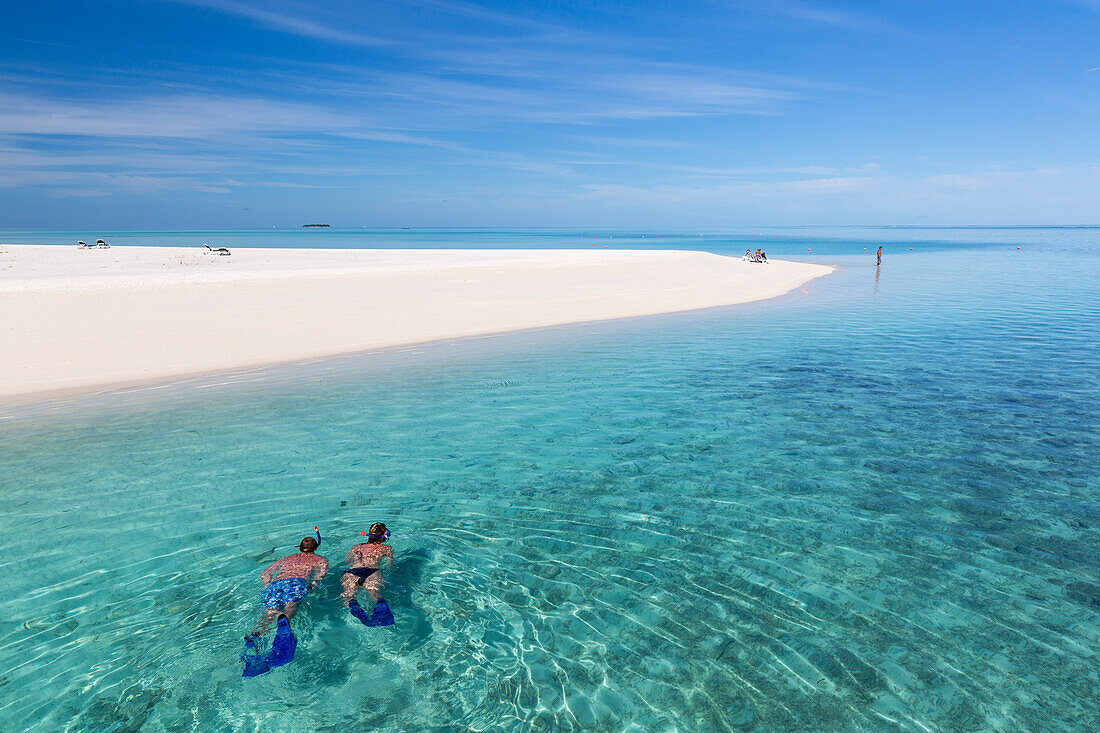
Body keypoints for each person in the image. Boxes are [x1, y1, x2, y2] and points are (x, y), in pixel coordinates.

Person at [253, 535, 328, 635]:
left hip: (276, 584)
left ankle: (257, 632)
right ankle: (285, 619)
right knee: (292, 605)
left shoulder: (287, 559)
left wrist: (267, 585)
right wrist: (315, 582)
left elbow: (265, 573)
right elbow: (322, 572)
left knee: (270, 611)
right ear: (316, 548)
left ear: (300, 547)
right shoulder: (320, 559)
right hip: (296, 582)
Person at [342, 522, 396, 626]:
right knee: (376, 596)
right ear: (382, 537)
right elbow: (390, 566)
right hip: (371, 573)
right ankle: (381, 620)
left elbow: (348, 561)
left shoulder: (356, 547)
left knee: (349, 598)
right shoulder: (386, 548)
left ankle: (360, 617)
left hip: (352, 573)